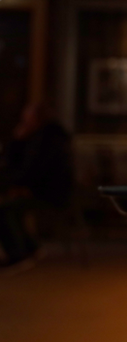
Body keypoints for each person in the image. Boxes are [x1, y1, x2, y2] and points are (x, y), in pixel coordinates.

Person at [0, 103, 73, 267]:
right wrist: (17, 141)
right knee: (9, 207)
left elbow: (39, 171)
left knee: (5, 210)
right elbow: (16, 165)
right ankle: (30, 248)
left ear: (37, 119)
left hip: (50, 194)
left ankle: (18, 253)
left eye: (27, 116)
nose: (23, 120)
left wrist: (26, 189)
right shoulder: (36, 137)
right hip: (39, 189)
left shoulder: (49, 139)